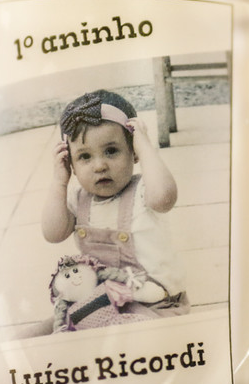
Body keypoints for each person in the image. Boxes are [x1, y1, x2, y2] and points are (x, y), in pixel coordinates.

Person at [41, 89, 188, 315]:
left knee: (135, 329)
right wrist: (59, 183)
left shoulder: (144, 191)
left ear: (133, 152)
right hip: (104, 302)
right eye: (85, 156)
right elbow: (53, 234)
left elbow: (165, 198)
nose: (100, 166)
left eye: (111, 151)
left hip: (155, 301)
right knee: (52, 327)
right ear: (71, 164)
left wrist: (144, 146)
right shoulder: (77, 200)